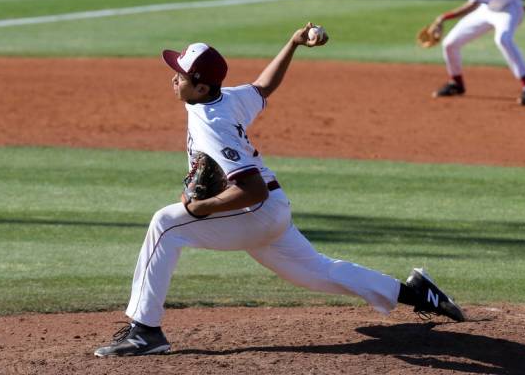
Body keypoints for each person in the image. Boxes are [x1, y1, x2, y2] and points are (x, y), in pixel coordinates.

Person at [93, 23, 465, 357]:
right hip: (272, 209)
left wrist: (200, 209)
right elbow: (263, 87)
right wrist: (292, 43)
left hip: (254, 210)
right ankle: (416, 293)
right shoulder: (228, 98)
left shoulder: (212, 122)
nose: (174, 79)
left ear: (201, 86)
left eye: (181, 75)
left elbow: (250, 190)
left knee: (165, 225)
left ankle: (146, 331)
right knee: (316, 272)